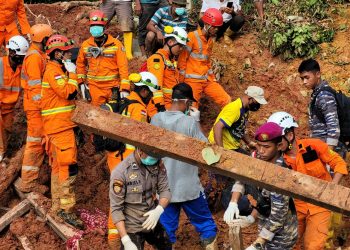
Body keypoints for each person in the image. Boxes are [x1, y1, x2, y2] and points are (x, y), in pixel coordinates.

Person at [267, 111, 348, 250]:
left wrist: (332, 187)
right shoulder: (276, 160)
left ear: (289, 135)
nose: (275, 144)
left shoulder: (313, 146)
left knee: (314, 246)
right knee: (289, 244)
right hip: (294, 207)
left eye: (277, 140)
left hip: (320, 205)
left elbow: (339, 163)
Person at [151, 83, 218, 249]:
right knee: (206, 225)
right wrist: (196, 122)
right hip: (189, 188)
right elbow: (207, 152)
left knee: (166, 231)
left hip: (164, 188)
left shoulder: (156, 119)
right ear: (187, 102)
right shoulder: (189, 122)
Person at [104, 71, 160, 248]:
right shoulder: (138, 108)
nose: (151, 97)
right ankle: (116, 241)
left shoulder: (125, 103)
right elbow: (140, 139)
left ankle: (118, 238)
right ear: (144, 91)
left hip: (116, 157)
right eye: (150, 93)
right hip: (127, 162)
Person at [229, 122, 298, 250]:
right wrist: (233, 202)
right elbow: (242, 179)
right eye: (259, 145)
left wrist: (258, 243)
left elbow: (278, 217)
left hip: (281, 235)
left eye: (266, 147)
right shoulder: (258, 158)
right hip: (265, 220)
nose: (261, 151)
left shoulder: (280, 175)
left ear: (279, 146)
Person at [41, 34, 83, 229]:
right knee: (68, 168)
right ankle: (66, 210)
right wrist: (73, 74)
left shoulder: (57, 69)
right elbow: (68, 92)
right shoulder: (54, 72)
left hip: (60, 127)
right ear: (56, 53)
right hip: (60, 128)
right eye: (65, 53)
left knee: (58, 169)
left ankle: (58, 207)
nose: (68, 56)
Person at [209, 86, 267, 214]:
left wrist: (249, 142)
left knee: (251, 165)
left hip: (232, 147)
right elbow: (217, 127)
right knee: (225, 179)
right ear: (250, 98)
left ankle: (254, 200)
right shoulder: (234, 108)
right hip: (222, 148)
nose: (258, 106)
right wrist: (221, 151)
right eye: (257, 102)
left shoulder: (245, 109)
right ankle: (228, 204)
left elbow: (240, 129)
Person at [110, 147, 172, 250]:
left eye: (156, 158)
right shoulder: (121, 172)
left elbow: (165, 190)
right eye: (152, 157)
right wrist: (126, 240)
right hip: (132, 225)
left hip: (151, 219)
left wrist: (159, 209)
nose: (154, 160)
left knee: (166, 245)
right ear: (140, 150)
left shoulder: (158, 164)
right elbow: (116, 209)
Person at [18, 24, 54, 193]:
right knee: (35, 144)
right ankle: (28, 182)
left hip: (37, 107)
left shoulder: (39, 54)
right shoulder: (34, 58)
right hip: (36, 108)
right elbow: (35, 87)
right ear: (44, 39)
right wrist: (44, 107)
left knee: (38, 142)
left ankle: (31, 179)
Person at [178, 8, 231, 109]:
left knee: (227, 100)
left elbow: (207, 62)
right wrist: (181, 84)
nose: (216, 30)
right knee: (192, 110)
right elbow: (182, 60)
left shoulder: (210, 41)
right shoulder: (192, 37)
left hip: (207, 79)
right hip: (192, 81)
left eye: (217, 28)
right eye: (214, 27)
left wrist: (213, 78)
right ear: (206, 25)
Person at [76, 10, 130, 106]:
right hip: (94, 87)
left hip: (112, 87)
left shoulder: (116, 44)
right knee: (97, 116)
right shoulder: (85, 45)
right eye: (92, 26)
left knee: (114, 115)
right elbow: (80, 64)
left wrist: (124, 87)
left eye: (98, 26)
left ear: (105, 27)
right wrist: (81, 83)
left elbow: (123, 67)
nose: (95, 28)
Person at [146, 26, 188, 117]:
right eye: (180, 46)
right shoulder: (157, 59)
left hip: (170, 107)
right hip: (158, 109)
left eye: (183, 47)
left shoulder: (171, 61)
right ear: (170, 42)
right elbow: (155, 86)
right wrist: (160, 107)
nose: (181, 49)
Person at [0, 36, 29, 163]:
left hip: (9, 107)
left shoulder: (20, 68)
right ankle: (1, 155)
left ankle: (4, 151)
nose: (21, 59)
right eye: (20, 56)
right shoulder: (1, 65)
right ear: (11, 52)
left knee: (7, 130)